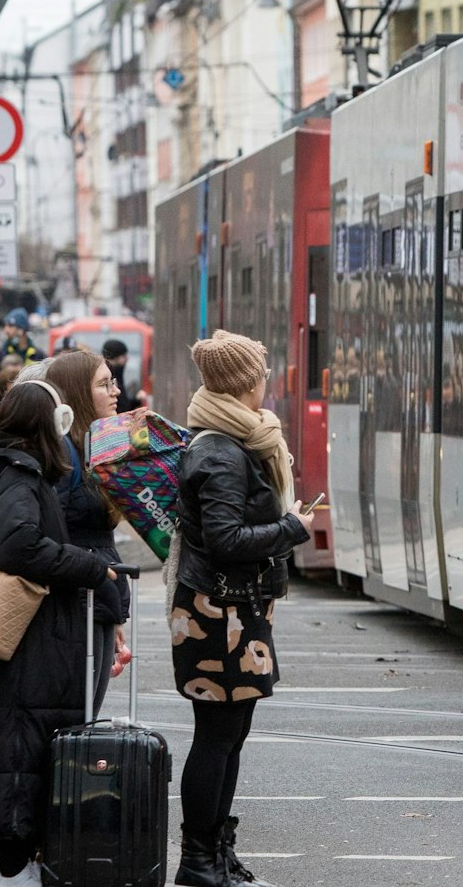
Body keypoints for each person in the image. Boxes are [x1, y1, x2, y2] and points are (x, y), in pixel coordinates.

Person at [0, 381, 117, 887]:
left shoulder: (5, 468)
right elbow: (16, 546)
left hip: (17, 636)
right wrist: (87, 565)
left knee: (11, 747)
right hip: (28, 640)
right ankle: (18, 865)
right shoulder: (21, 476)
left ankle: (17, 861)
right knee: (24, 750)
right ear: (44, 424)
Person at [174, 330, 312, 887]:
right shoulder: (221, 452)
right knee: (217, 734)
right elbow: (226, 538)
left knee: (230, 734)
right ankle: (198, 859)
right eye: (261, 373)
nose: (266, 381)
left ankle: (213, 851)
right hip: (218, 611)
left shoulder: (232, 443)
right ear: (246, 383)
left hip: (234, 607)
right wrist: (291, 528)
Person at [25, 350, 132, 713]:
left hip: (94, 599)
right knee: (75, 717)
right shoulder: (65, 453)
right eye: (104, 384)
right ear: (77, 394)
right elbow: (54, 534)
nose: (115, 391)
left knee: (85, 713)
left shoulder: (89, 447)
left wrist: (112, 610)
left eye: (113, 381)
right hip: (74, 603)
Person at [104, 339, 141, 412]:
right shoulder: (111, 375)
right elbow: (121, 406)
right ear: (116, 357)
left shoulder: (117, 372)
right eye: (124, 355)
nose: (127, 358)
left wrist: (136, 401)